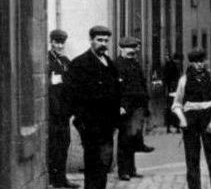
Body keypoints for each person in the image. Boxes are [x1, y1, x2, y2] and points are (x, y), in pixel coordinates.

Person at [65, 25, 121, 189]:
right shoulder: (80, 64)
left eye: (106, 40)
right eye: (99, 40)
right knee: (94, 166)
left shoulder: (109, 63)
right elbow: (71, 95)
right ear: (91, 41)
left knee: (104, 165)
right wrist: (82, 121)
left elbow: (117, 91)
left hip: (108, 125)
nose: (103, 43)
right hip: (91, 126)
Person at [172, 48, 211, 189]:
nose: (199, 65)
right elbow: (177, 103)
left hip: (208, 118)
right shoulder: (183, 80)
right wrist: (182, 119)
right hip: (191, 120)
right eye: (195, 62)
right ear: (191, 64)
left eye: (201, 61)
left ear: (205, 61)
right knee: (192, 158)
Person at [114, 35, 154, 181]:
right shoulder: (117, 66)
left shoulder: (134, 64)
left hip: (137, 108)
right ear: (121, 49)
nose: (132, 52)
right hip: (125, 108)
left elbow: (141, 84)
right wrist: (120, 106)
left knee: (132, 138)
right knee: (124, 140)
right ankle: (123, 171)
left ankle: (131, 169)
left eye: (133, 49)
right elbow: (116, 89)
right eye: (128, 49)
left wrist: (145, 105)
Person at [47, 29, 78, 189]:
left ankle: (61, 178)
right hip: (52, 113)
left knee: (64, 144)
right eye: (56, 42)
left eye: (62, 43)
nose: (59, 46)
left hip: (64, 113)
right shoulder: (47, 61)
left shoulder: (66, 61)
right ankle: (53, 179)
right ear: (51, 42)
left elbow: (72, 84)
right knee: (54, 147)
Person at [162, 52, 184, 133]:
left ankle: (170, 127)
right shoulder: (172, 66)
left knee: (170, 109)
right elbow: (169, 79)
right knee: (175, 108)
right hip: (173, 91)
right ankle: (175, 127)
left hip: (171, 91)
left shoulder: (170, 65)